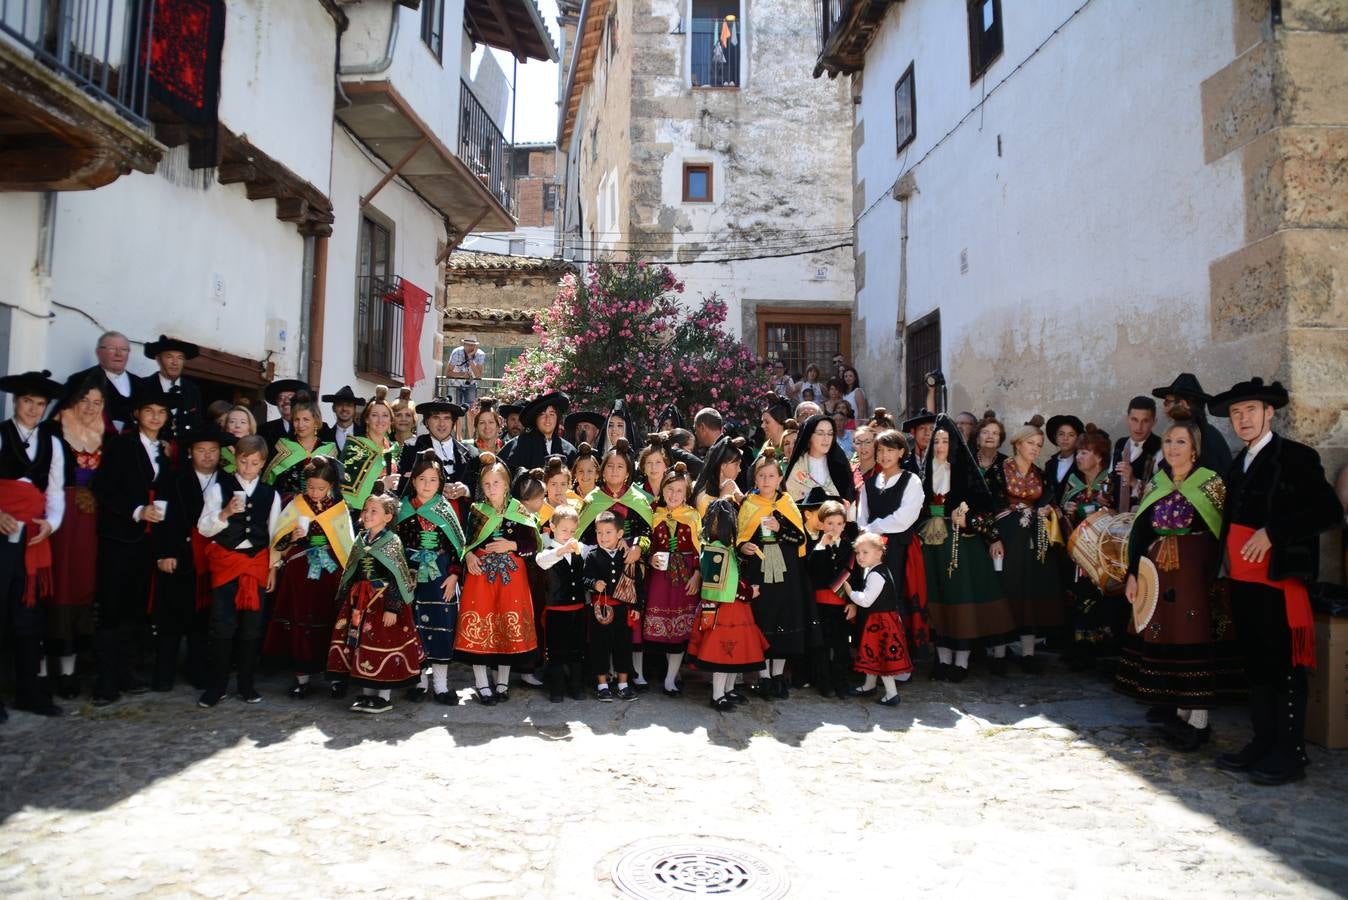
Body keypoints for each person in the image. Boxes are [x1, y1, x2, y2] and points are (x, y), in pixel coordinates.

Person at [1210, 377, 1340, 785]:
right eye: (1236, 413)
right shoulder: (1238, 463)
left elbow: (1328, 510)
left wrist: (1273, 532)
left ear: (1269, 412)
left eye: (1250, 410)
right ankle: (1263, 741)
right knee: (1256, 666)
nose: (1243, 419)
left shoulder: (1296, 457)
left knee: (1284, 668)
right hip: (1243, 582)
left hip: (1277, 581)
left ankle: (1291, 754)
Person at [1113, 421, 1242, 751]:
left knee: (1192, 635)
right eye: (1169, 441)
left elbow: (1224, 529)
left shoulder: (1210, 483)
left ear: (1194, 448)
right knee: (1165, 634)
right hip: (1158, 572)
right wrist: (1132, 573)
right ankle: (1180, 713)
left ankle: (1199, 721)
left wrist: (1217, 576)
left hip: (1195, 573)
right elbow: (1141, 531)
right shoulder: (1158, 481)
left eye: (1181, 442)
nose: (1172, 447)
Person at [91, 383, 175, 707]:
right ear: (137, 414)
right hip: (120, 538)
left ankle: (126, 673)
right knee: (111, 609)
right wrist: (137, 511)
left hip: (148, 542)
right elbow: (103, 489)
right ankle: (105, 683)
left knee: (135, 610)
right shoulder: (121, 445)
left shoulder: (165, 451)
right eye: (149, 411)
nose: (155, 417)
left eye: (161, 412)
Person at [918, 415, 1016, 682]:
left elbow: (985, 508)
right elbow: (916, 509)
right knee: (936, 597)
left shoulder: (964, 472)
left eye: (945, 441)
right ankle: (942, 659)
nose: (940, 446)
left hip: (961, 543)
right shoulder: (923, 474)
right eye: (936, 441)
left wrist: (969, 520)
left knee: (960, 598)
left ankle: (961, 661)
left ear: (954, 445)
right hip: (932, 545)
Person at [195, 435, 280, 707]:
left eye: (254, 463)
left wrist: (273, 569)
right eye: (243, 462)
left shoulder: (270, 494)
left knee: (252, 627)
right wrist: (224, 514)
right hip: (227, 562)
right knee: (222, 625)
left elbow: (274, 535)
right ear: (236, 459)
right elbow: (204, 528)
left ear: (262, 463)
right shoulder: (219, 488)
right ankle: (217, 686)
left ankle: (246, 685)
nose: (248, 468)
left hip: (256, 564)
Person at [0, 370, 67, 718]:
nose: (33, 409)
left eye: (40, 404)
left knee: (27, 619)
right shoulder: (1, 435)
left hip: (32, 541)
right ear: (16, 402)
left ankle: (28, 692)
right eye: (28, 401)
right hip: (1, 538)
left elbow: (55, 492)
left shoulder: (52, 444)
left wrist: (51, 523)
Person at [150, 423, 232, 693]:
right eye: (201, 450)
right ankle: (163, 675)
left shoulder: (228, 482)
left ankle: (197, 671)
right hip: (179, 553)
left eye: (213, 450)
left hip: (213, 558)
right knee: (171, 618)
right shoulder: (173, 479)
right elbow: (161, 519)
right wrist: (165, 552)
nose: (207, 455)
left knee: (203, 619)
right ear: (190, 452)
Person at [263, 455, 353, 700]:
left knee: (333, 619)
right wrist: (292, 537)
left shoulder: (339, 508)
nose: (315, 493)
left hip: (331, 572)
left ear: (331, 486)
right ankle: (302, 677)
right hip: (300, 571)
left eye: (320, 488)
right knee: (301, 619)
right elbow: (278, 538)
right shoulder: (296, 505)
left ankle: (336, 677)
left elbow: (346, 543)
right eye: (311, 487)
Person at [326, 493, 423, 714]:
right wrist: (344, 599)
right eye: (365, 510)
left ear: (388, 517)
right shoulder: (361, 540)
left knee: (384, 643)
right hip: (360, 603)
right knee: (362, 644)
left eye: (374, 511)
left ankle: (383, 696)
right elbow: (352, 570)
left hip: (382, 602)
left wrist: (392, 608)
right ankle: (366, 693)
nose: (367, 515)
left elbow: (398, 576)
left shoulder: (392, 542)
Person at [455, 453, 539, 705]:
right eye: (487, 484)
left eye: (496, 483)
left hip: (512, 578)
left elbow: (532, 543)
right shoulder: (477, 511)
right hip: (480, 576)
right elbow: (466, 542)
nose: (492, 488)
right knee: (480, 627)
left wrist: (511, 544)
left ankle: (502, 682)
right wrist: (469, 556)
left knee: (506, 627)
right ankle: (482, 684)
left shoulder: (518, 510)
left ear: (506, 484)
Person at [45, 376, 108, 700]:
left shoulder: (106, 436)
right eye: (84, 400)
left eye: (97, 402)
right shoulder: (51, 431)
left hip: (90, 522)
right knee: (55, 587)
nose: (90, 408)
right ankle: (43, 671)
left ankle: (70, 670)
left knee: (83, 586)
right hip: (57, 520)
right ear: (72, 400)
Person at [986, 417, 1061, 674]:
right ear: (1018, 444)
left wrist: (1048, 510)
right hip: (1006, 540)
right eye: (1031, 443)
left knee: (1030, 590)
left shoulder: (1040, 474)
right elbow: (987, 507)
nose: (1035, 449)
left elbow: (1050, 500)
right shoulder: (998, 471)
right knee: (1005, 590)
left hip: (1032, 541)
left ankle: (1028, 652)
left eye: (1039, 445)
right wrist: (993, 538)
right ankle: (998, 653)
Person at [576, 439, 654, 688]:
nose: (614, 471)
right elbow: (582, 536)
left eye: (620, 466)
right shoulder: (592, 499)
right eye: (610, 466)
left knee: (625, 628)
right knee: (600, 627)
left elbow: (647, 533)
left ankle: (627, 675)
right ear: (602, 471)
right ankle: (602, 674)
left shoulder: (638, 499)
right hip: (600, 568)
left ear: (628, 472)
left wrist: (637, 548)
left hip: (628, 570)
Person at [394, 454, 466, 705]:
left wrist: (454, 575)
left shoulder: (445, 509)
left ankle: (441, 685)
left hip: (440, 577)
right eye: (422, 479)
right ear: (413, 481)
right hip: (410, 575)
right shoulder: (401, 509)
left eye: (433, 479)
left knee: (441, 625)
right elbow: (393, 545)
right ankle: (420, 682)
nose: (427, 484)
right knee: (414, 626)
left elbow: (458, 546)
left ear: (440, 482)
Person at [738, 449, 808, 700]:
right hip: (759, 570)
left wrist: (781, 527)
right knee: (763, 618)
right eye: (761, 476)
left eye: (771, 476)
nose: (766, 480)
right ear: (755, 479)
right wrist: (743, 547)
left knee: (783, 618)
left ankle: (778, 675)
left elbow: (800, 539)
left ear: (779, 479)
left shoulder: (787, 503)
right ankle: (764, 676)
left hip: (785, 572)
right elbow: (741, 537)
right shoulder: (749, 504)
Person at [688, 498, 767, 711]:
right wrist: (748, 592)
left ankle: (729, 690)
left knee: (735, 653)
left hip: (733, 608)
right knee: (721, 654)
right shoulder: (716, 549)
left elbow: (731, 577)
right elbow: (722, 584)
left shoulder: (723, 548)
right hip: (724, 609)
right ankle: (717, 695)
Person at [856, 428, 926, 654]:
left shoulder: (911, 481)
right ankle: (873, 656)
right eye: (880, 450)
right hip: (871, 552)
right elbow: (861, 516)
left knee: (896, 598)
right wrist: (865, 534)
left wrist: (872, 528)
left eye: (890, 450)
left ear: (901, 452)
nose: (884, 455)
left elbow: (904, 518)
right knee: (872, 598)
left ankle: (899, 658)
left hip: (899, 549)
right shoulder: (869, 484)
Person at [1060, 425, 1121, 670]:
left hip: (1101, 554)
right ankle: (1077, 649)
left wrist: (1105, 509)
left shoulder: (1110, 483)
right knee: (1076, 597)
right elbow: (1062, 511)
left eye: (1084, 452)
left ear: (1099, 457)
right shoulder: (1073, 482)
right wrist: (1068, 511)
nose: (1079, 457)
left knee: (1097, 599)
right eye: (1078, 452)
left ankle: (1099, 650)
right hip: (1077, 552)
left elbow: (1119, 515)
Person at [643, 463, 702, 696]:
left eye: (679, 490)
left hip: (685, 575)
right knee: (664, 626)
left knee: (679, 628)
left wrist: (697, 574)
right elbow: (647, 544)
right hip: (660, 575)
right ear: (662, 490)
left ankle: (670, 679)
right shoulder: (654, 514)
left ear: (686, 493)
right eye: (669, 489)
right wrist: (650, 558)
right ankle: (671, 672)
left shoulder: (693, 516)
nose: (673, 495)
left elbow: (700, 548)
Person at [845, 532, 911, 706]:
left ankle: (892, 694)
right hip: (881, 622)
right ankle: (869, 685)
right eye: (858, 553)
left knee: (882, 657)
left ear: (879, 553)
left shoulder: (876, 575)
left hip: (881, 624)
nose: (860, 557)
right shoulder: (878, 570)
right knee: (873, 653)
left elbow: (866, 601)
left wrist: (851, 593)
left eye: (865, 552)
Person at [584, 512, 642, 702]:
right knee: (599, 646)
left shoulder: (627, 555)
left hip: (622, 610)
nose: (603, 537)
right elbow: (584, 578)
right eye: (599, 532)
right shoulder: (592, 556)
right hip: (600, 610)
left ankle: (623, 684)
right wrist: (594, 584)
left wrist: (636, 606)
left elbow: (636, 582)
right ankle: (602, 685)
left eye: (608, 532)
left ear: (620, 534)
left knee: (623, 646)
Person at [533, 504, 588, 702]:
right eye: (564, 530)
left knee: (577, 650)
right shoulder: (548, 551)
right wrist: (561, 550)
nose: (568, 535)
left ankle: (576, 687)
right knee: (556, 651)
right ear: (553, 527)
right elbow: (541, 561)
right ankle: (556, 689)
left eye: (572, 531)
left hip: (578, 609)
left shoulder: (579, 550)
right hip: (556, 611)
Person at [396, 398, 479, 523]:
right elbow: (402, 487)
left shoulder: (472, 453)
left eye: (446, 418)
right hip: (422, 519)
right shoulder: (412, 449)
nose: (441, 424)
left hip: (460, 521)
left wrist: (465, 490)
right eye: (436, 418)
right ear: (427, 422)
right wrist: (436, 488)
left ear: (453, 422)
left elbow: (480, 488)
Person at [807, 501, 854, 699]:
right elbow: (811, 571)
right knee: (822, 646)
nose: (834, 528)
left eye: (839, 523)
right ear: (822, 524)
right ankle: (824, 683)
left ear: (844, 525)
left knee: (842, 646)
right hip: (820, 605)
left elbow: (855, 577)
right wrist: (821, 547)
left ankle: (842, 683)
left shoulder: (850, 548)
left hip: (842, 605)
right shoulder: (816, 546)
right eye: (830, 523)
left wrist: (853, 603)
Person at [782, 414, 857, 536]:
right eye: (820, 433)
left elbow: (849, 502)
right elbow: (789, 504)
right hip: (804, 534)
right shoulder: (797, 467)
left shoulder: (840, 466)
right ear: (809, 436)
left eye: (830, 433)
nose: (826, 439)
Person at [262, 392, 336, 504]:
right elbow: (268, 484)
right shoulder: (282, 447)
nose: (300, 425)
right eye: (296, 420)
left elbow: (335, 488)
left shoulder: (329, 451)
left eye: (306, 419)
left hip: (320, 509)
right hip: (286, 508)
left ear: (316, 422)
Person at [1153, 373, 1233, 475]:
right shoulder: (1203, 432)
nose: (1165, 409)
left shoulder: (1201, 437)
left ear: (1183, 404)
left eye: (1167, 403)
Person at [339, 386, 399, 515]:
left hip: (386, 513)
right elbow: (345, 487)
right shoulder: (355, 446)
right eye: (374, 415)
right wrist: (381, 486)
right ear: (367, 419)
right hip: (360, 513)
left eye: (385, 415)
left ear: (391, 420)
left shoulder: (392, 448)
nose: (380, 420)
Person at [140, 334, 204, 451]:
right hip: (152, 452)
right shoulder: (143, 386)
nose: (175, 362)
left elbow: (197, 426)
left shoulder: (192, 390)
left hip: (183, 456)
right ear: (158, 359)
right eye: (169, 357)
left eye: (180, 358)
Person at [64, 330, 134, 431]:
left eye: (124, 349)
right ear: (98, 352)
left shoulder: (141, 383)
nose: (118, 354)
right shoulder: (79, 381)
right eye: (112, 349)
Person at [499, 392, 577, 473]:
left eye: (552, 414)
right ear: (536, 418)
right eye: (542, 414)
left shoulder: (569, 451)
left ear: (557, 417)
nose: (547, 419)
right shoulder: (517, 446)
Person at [1111, 396, 1160, 511]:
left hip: (1145, 516)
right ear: (1127, 419)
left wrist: (1133, 481)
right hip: (1117, 516)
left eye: (1145, 421)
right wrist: (1104, 495)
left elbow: (1160, 493)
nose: (1139, 427)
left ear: (1154, 422)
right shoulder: (1120, 444)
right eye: (1134, 420)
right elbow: (1111, 478)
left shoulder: (1161, 448)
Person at [690, 436, 746, 516]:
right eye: (736, 464)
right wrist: (723, 497)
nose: (739, 469)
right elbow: (708, 522)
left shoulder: (730, 485)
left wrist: (742, 500)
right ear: (722, 466)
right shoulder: (704, 497)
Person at [258, 378, 311, 451]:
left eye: (291, 397)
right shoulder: (264, 430)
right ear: (277, 403)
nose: (286, 401)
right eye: (281, 398)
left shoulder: (317, 428)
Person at [1042, 414, 1084, 505]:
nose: (1065, 438)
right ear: (1055, 437)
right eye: (1061, 434)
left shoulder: (1082, 462)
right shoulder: (1050, 464)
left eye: (1071, 435)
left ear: (1077, 438)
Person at [445, 335, 486, 409]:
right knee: (454, 408)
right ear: (464, 345)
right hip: (455, 384)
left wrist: (470, 358)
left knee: (471, 409)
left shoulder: (480, 355)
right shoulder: (456, 352)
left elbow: (478, 375)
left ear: (475, 346)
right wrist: (462, 375)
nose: (470, 347)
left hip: (471, 384)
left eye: (472, 345)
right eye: (468, 345)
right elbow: (448, 372)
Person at [322, 386, 365, 453]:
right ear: (333, 408)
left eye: (349, 405)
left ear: (354, 409)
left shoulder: (364, 435)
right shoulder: (325, 436)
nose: (344, 408)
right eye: (340, 404)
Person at [221, 405, 257, 475]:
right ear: (226, 426)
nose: (237, 425)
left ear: (250, 428)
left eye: (243, 422)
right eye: (232, 421)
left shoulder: (257, 451)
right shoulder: (217, 451)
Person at [902, 409, 936, 476]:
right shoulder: (903, 465)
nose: (927, 433)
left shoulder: (945, 462)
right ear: (913, 432)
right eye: (922, 428)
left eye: (932, 429)